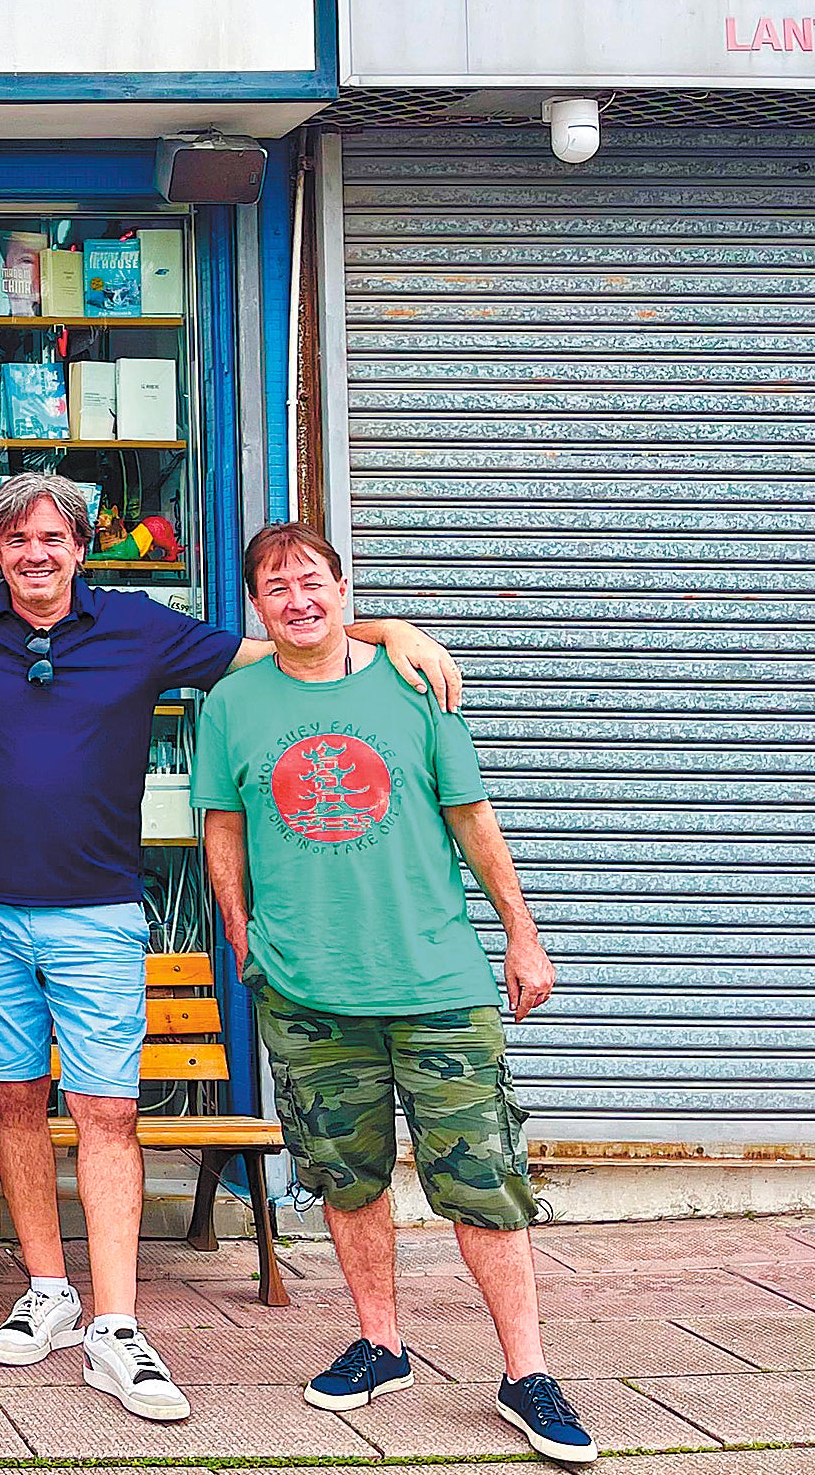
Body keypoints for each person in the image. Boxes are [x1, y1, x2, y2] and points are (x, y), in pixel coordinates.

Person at [0, 473, 460, 1424]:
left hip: (97, 911)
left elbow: (276, 640)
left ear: (81, 548)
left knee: (106, 1108)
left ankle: (114, 1319)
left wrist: (388, 632)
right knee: (14, 1098)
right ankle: (47, 1285)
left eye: (53, 538)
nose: (35, 553)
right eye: (16, 539)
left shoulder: (141, 627)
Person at [196, 521, 589, 1464]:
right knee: (345, 1174)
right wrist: (247, 942)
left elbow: (470, 816)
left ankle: (525, 1372)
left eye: (310, 580)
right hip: (307, 989)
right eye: (275, 586)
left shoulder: (415, 684)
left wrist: (521, 935)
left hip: (435, 982)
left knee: (481, 1178)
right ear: (256, 605)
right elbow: (222, 830)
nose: (296, 598)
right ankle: (380, 1344)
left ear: (342, 589)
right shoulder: (230, 703)